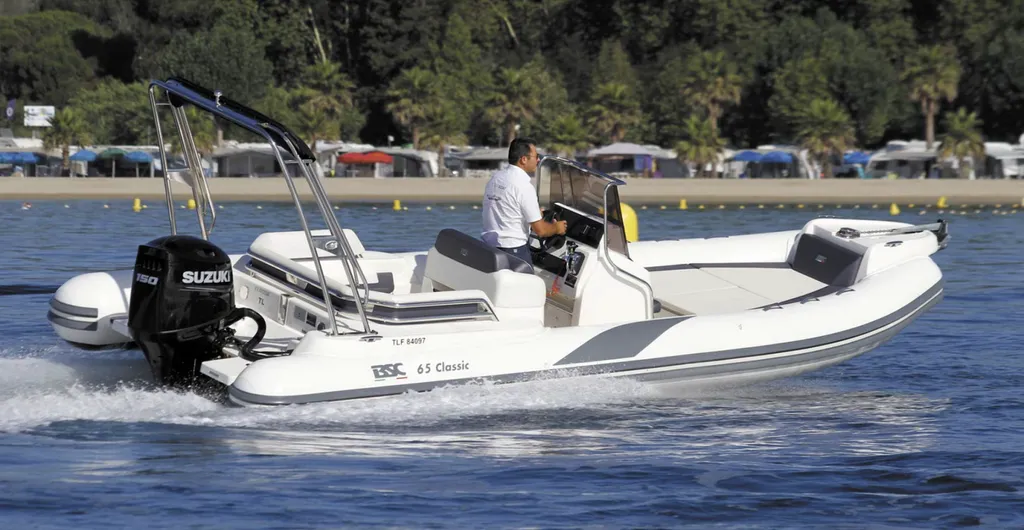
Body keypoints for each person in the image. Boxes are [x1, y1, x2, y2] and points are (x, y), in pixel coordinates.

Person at [481, 137, 567, 265]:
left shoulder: (496, 178)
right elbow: (541, 230)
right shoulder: (524, 186)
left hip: (489, 248)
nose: (538, 160)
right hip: (513, 251)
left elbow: (505, 209)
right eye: (536, 156)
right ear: (524, 159)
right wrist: (557, 228)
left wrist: (535, 214)